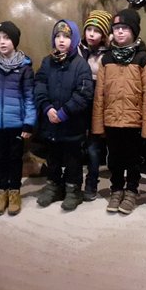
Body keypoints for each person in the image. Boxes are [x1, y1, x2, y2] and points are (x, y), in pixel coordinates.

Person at [91, 8, 146, 215]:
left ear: (134, 31)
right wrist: (98, 125)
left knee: (133, 160)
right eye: (116, 28)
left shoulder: (143, 58)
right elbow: (99, 94)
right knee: (114, 159)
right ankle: (116, 189)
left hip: (134, 121)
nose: (119, 32)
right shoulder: (107, 59)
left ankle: (131, 191)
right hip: (111, 120)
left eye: (125, 28)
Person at [0, 21, 36, 216]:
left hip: (16, 123)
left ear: (15, 41)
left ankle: (15, 192)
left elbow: (29, 97)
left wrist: (28, 123)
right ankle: (2, 192)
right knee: (0, 158)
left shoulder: (25, 68)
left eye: (6, 38)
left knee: (15, 158)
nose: (2, 42)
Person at [34, 19, 94, 211]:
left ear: (74, 39)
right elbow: (39, 85)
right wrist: (47, 108)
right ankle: (54, 186)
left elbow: (84, 93)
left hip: (72, 124)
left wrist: (64, 112)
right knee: (53, 158)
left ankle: (73, 190)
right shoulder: (47, 62)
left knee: (72, 160)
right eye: (58, 36)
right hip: (51, 123)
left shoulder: (81, 65)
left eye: (66, 37)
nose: (61, 40)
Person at [77, 10, 112, 201]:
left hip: (97, 105)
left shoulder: (107, 55)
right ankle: (73, 182)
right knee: (75, 144)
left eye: (97, 31)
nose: (91, 34)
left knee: (93, 147)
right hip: (78, 104)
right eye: (89, 29)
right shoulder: (77, 50)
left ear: (104, 35)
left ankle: (91, 182)